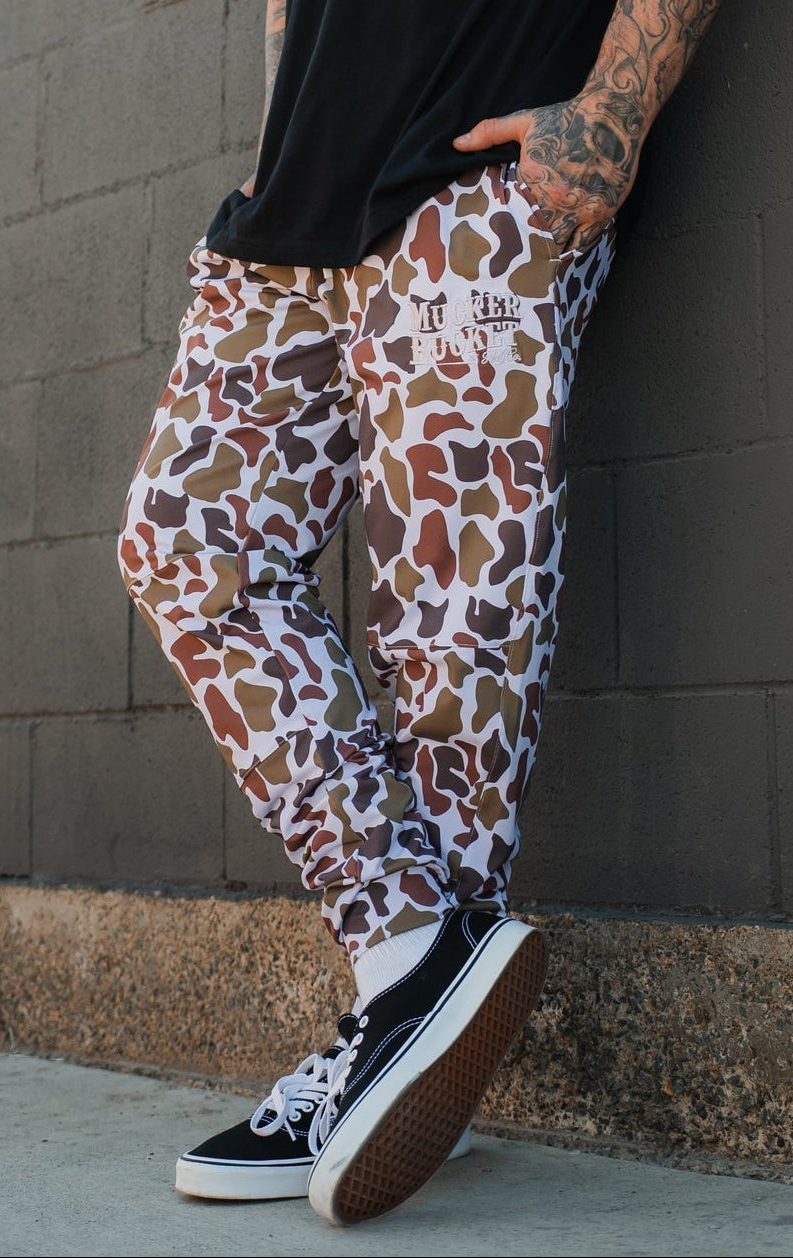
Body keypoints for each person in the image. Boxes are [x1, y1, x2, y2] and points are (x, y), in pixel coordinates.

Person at [118, 0, 723, 1226]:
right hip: (288, 213)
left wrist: (612, 107)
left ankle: (392, 1044)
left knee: (450, 627)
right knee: (181, 540)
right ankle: (409, 956)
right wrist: (279, 133)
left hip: (479, 173)